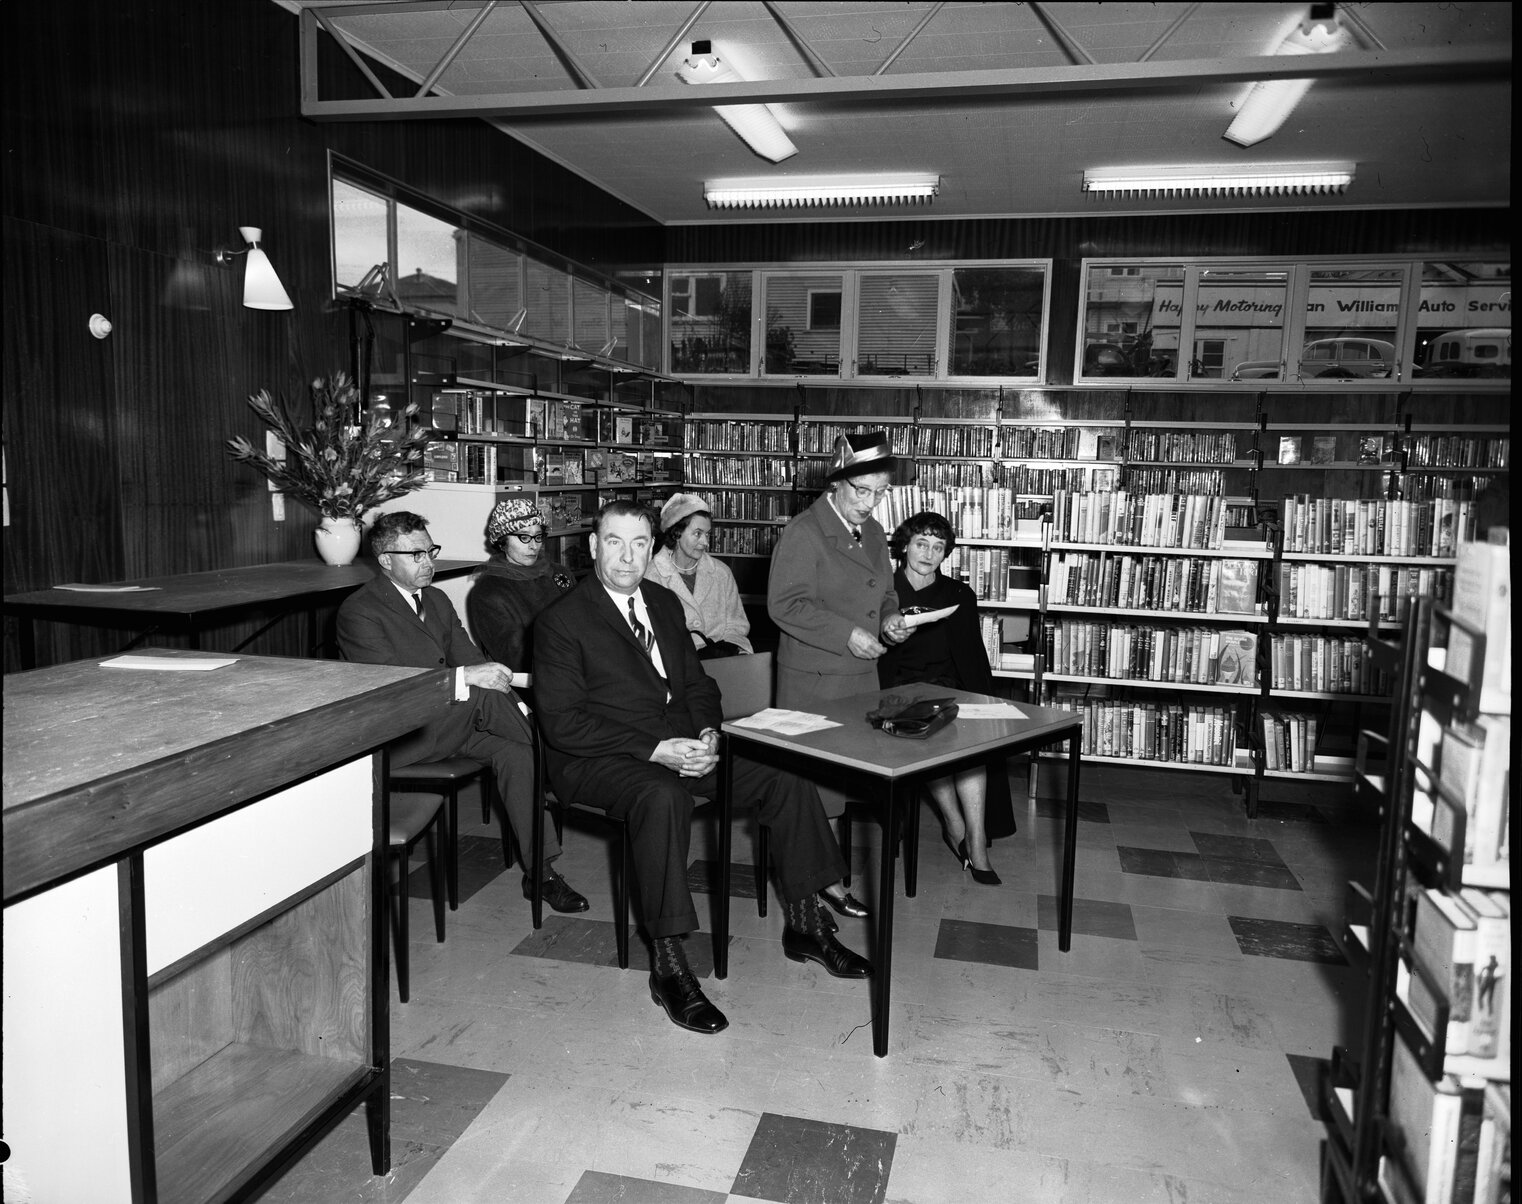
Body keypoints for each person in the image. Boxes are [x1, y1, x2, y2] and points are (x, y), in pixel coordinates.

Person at [533, 500, 872, 1035]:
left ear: (653, 548)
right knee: (661, 797)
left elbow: (698, 685)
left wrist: (709, 734)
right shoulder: (561, 621)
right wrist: (658, 748)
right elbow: (564, 724)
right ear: (594, 546)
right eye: (615, 542)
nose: (627, 556)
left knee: (786, 773)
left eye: (639, 544)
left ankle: (806, 924)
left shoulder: (664, 603)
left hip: (681, 743)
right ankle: (669, 966)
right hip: (598, 758)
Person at [338, 511, 588, 915]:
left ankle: (540, 874)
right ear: (385, 560)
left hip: (456, 724)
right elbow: (392, 691)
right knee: (485, 694)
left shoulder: (435, 600)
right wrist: (469, 676)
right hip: (407, 736)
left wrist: (485, 679)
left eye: (430, 551)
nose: (428, 562)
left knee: (517, 753)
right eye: (416, 554)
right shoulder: (359, 611)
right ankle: (569, 766)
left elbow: (470, 659)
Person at [767, 431, 910, 917]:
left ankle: (825, 878)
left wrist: (891, 619)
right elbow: (785, 605)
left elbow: (884, 591)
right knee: (815, 790)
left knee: (840, 785)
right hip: (817, 679)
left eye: (880, 493)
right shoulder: (805, 531)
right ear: (837, 484)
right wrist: (848, 634)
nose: (871, 503)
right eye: (862, 491)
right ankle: (819, 884)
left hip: (859, 677)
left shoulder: (869, 529)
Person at [876, 511, 1016, 884]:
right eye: (922, 543)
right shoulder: (884, 590)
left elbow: (971, 658)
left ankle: (976, 839)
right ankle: (955, 825)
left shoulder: (957, 594)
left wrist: (982, 701)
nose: (929, 553)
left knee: (970, 738)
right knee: (930, 732)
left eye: (938, 547)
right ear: (905, 545)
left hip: (950, 688)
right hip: (895, 691)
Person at [466, 497, 577, 675]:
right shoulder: (488, 591)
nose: (534, 546)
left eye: (538, 536)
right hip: (535, 681)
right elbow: (516, 658)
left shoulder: (559, 573)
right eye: (524, 537)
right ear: (502, 541)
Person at [643, 492, 753, 658]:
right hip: (675, 665)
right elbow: (651, 635)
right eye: (697, 533)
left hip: (723, 661)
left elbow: (737, 625)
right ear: (676, 533)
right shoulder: (650, 576)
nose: (705, 542)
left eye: (707, 534)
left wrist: (728, 649)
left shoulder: (721, 572)